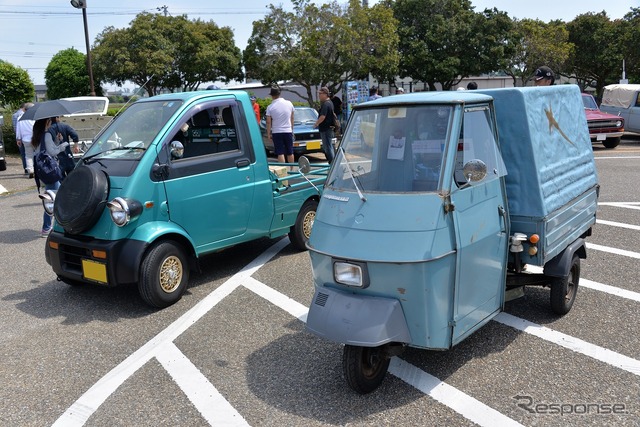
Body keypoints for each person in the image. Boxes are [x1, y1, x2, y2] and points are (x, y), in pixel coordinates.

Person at [32, 117, 69, 237]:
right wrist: (63, 145)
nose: (51, 123)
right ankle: (46, 228)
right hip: (50, 171)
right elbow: (52, 152)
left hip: (43, 170)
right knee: (51, 200)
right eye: (49, 121)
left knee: (56, 197)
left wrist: (57, 142)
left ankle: (55, 225)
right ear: (46, 123)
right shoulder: (46, 135)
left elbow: (47, 149)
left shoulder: (37, 136)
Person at [265, 86, 295, 164]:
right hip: (288, 130)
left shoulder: (270, 107)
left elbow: (268, 122)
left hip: (277, 131)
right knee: (290, 152)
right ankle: (292, 169)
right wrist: (291, 129)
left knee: (280, 152)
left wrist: (268, 134)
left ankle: (283, 170)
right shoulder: (289, 103)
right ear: (280, 93)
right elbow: (292, 118)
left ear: (272, 95)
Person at [314, 86, 336, 163]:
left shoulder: (326, 104)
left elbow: (322, 116)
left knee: (327, 146)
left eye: (320, 94)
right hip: (328, 128)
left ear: (325, 94)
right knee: (329, 145)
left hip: (326, 128)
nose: (319, 95)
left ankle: (332, 162)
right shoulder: (329, 103)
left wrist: (316, 124)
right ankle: (332, 161)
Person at [15, 103, 35, 178]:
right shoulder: (34, 117)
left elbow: (18, 130)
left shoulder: (20, 118)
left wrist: (18, 139)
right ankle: (38, 169)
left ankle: (30, 170)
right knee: (37, 154)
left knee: (28, 156)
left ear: (25, 109)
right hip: (35, 138)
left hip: (25, 139)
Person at [12, 103, 29, 174]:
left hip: (19, 137)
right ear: (24, 108)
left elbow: (15, 128)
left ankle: (26, 168)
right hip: (28, 137)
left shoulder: (14, 115)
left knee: (23, 153)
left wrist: (17, 138)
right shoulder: (27, 115)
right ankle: (31, 168)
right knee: (29, 153)